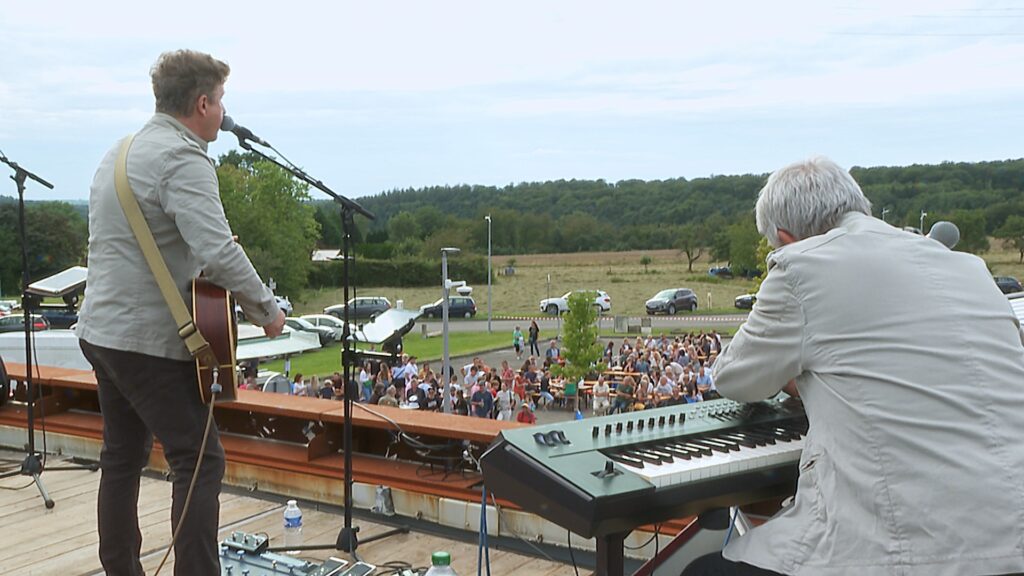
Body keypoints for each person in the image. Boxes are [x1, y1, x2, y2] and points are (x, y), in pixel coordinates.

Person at [685, 157, 1024, 576]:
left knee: (703, 571)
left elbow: (734, 378)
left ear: (787, 238)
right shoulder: (969, 267)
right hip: (1014, 534)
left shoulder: (801, 264)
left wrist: (805, 375)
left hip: (910, 551)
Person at [75, 50, 286, 576]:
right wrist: (266, 309)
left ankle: (120, 568)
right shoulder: (183, 158)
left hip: (102, 333)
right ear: (201, 102)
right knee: (199, 461)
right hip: (148, 342)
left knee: (121, 459)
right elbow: (217, 251)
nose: (222, 112)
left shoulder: (119, 153)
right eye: (220, 102)